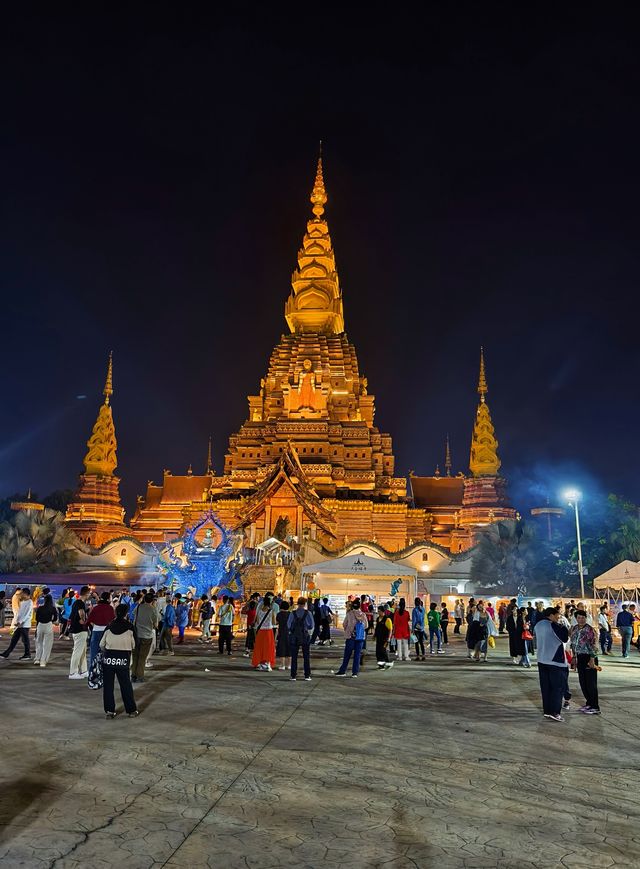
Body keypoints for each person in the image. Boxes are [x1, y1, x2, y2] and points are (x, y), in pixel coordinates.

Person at [100, 603, 138, 718]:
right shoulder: (130, 627)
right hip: (123, 659)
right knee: (125, 685)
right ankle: (131, 710)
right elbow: (134, 645)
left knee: (108, 686)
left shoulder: (109, 626)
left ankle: (109, 711)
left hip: (109, 659)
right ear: (126, 613)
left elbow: (101, 644)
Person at [534, 607, 570, 722]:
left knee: (546, 687)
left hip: (542, 660)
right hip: (555, 661)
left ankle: (547, 711)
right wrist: (564, 627)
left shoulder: (538, 625)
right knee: (557, 688)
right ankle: (555, 712)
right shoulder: (553, 625)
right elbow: (564, 638)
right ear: (551, 615)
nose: (558, 618)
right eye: (557, 616)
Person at [570, 610, 600, 714]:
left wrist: (592, 660)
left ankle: (595, 707)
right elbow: (573, 643)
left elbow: (594, 645)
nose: (581, 620)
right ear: (576, 618)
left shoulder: (589, 629)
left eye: (583, 618)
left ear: (586, 618)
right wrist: (574, 656)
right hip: (579, 657)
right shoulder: (574, 629)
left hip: (589, 657)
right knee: (583, 682)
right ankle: (589, 704)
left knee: (591, 683)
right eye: (579, 618)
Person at [335, 598, 369, 678]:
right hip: (360, 638)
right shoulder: (363, 615)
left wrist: (348, 630)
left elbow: (344, 624)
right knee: (357, 655)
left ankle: (343, 671)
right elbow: (366, 626)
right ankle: (355, 673)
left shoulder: (349, 614)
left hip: (350, 637)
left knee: (347, 655)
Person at [1, 588, 34, 660]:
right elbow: (20, 613)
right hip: (19, 624)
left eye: (22, 593)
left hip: (25, 625)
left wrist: (20, 621)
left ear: (26, 594)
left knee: (25, 640)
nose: (20, 595)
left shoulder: (30, 602)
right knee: (14, 639)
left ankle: (27, 654)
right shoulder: (22, 602)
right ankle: (6, 653)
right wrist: (17, 621)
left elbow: (27, 614)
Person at [132, 593, 158, 683]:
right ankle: (140, 676)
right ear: (152, 600)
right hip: (147, 636)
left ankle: (133, 675)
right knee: (142, 657)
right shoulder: (153, 609)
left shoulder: (139, 607)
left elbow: (134, 616)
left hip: (136, 635)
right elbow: (156, 624)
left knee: (135, 656)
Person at [86, 591, 116, 672]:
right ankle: (105, 671)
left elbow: (90, 620)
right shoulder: (110, 608)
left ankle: (92, 671)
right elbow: (113, 620)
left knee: (94, 653)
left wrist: (96, 626)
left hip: (96, 631)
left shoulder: (96, 607)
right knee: (106, 653)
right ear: (108, 598)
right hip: (107, 633)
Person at [288, 597, 314, 680]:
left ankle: (293, 675)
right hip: (305, 636)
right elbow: (311, 626)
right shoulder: (308, 613)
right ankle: (307, 675)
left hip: (294, 637)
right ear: (305, 604)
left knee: (294, 657)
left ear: (297, 603)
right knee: (306, 656)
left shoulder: (293, 613)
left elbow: (288, 625)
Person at [68, 586, 91, 678]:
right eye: (89, 593)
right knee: (78, 652)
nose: (89, 595)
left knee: (82, 652)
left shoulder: (76, 602)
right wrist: (84, 620)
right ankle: (73, 672)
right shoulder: (80, 603)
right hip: (80, 630)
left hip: (78, 630)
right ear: (86, 593)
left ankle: (84, 671)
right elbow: (81, 613)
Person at [252, 593, 277, 671]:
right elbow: (274, 622)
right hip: (269, 631)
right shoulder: (271, 611)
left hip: (261, 631)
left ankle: (260, 663)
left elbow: (258, 621)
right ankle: (268, 663)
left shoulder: (259, 611)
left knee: (260, 647)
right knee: (268, 647)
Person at [276, 600, 292, 670]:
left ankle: (282, 665)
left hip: (282, 633)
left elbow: (276, 622)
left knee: (282, 649)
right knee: (289, 649)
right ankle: (289, 665)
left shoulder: (279, 614)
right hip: (289, 634)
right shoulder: (291, 614)